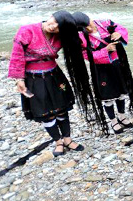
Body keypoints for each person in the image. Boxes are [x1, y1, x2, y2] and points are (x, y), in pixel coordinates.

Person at [8, 11, 89, 156]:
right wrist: (19, 79)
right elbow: (17, 56)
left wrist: (79, 30)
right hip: (33, 79)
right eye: (54, 21)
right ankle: (58, 141)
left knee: (61, 109)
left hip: (54, 76)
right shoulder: (26, 31)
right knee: (46, 113)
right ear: (51, 15)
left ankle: (68, 139)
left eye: (59, 27)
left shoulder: (60, 36)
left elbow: (80, 44)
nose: (53, 26)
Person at [73, 12, 133, 134]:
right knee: (108, 96)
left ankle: (121, 115)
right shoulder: (81, 38)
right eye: (85, 28)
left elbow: (122, 28)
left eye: (89, 25)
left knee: (121, 92)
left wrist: (118, 33)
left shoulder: (106, 23)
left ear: (90, 18)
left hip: (118, 63)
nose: (89, 29)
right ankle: (113, 120)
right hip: (101, 69)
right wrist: (106, 50)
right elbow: (87, 56)